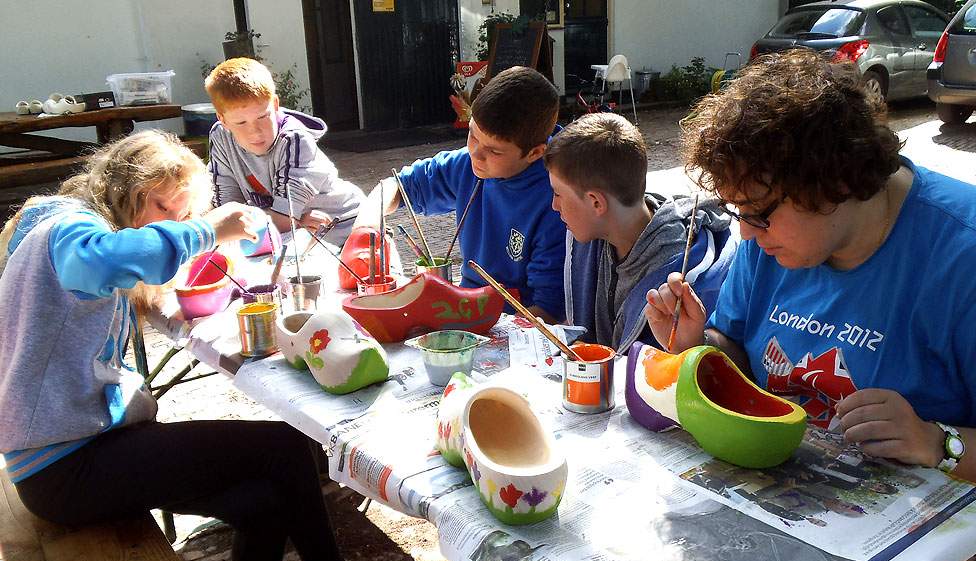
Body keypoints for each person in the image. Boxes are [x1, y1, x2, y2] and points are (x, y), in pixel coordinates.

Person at [645, 49, 976, 504]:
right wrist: (697, 347)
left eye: (758, 213)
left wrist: (935, 442)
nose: (745, 233)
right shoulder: (768, 241)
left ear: (836, 182)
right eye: (737, 212)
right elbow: (739, 351)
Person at [0, 131, 353, 561]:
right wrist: (208, 230)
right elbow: (106, 260)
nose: (171, 222)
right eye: (161, 207)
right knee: (286, 446)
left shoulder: (66, 228)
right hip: (63, 465)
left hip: (71, 452)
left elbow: (124, 269)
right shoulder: (68, 226)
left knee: (262, 505)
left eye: (182, 214)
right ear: (124, 192)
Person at [352, 66, 567, 322]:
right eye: (472, 135)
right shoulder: (467, 164)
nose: (475, 153)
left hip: (515, 327)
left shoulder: (557, 200)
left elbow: (548, 311)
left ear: (535, 153)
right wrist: (364, 231)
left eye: (494, 151)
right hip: (465, 308)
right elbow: (396, 186)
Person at [544, 112, 737, 353]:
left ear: (596, 202)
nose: (554, 205)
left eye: (558, 194)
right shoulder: (593, 237)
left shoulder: (683, 276)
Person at [205, 57, 363, 245]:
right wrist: (292, 221)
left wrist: (289, 220)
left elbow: (281, 221)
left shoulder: (295, 140)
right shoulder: (221, 137)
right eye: (241, 122)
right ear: (222, 119)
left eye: (262, 117)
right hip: (292, 236)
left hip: (347, 233)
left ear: (275, 104)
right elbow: (227, 213)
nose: (255, 131)